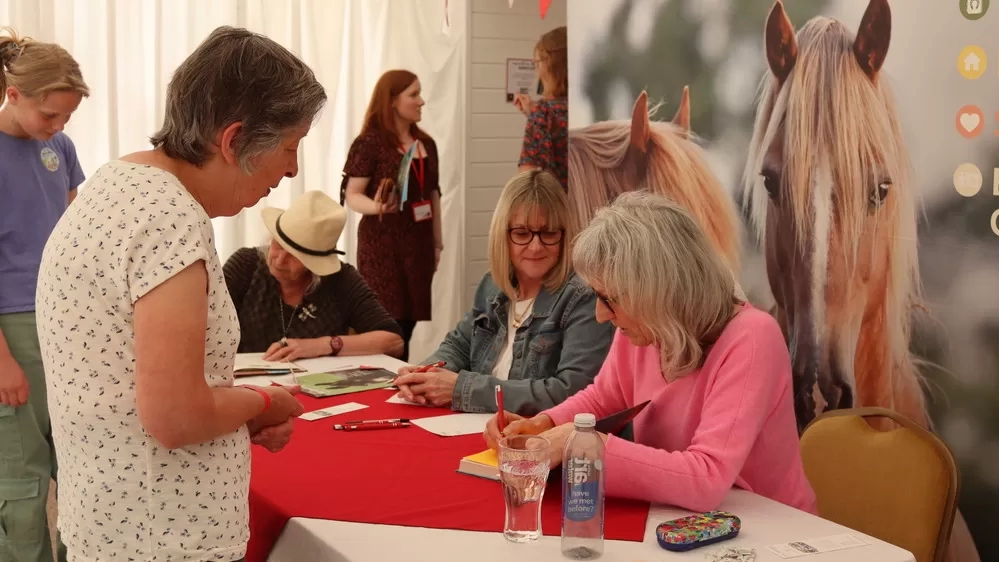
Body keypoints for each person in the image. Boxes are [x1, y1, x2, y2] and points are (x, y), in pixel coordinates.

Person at [34, 26, 321, 561]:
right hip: (164, 537)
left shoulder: (113, 187)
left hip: (112, 519)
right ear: (234, 141)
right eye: (290, 146)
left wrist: (236, 415)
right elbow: (176, 417)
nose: (291, 169)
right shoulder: (168, 220)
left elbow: (122, 387)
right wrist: (264, 401)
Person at [483, 192, 818, 514]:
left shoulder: (753, 337)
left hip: (770, 531)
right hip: (688, 522)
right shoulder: (645, 325)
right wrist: (544, 425)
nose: (601, 314)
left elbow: (707, 478)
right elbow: (603, 397)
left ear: (657, 292)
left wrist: (581, 442)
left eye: (609, 298)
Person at [394, 170, 614, 415]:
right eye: (522, 233)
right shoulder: (493, 285)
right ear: (502, 235)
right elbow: (458, 345)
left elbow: (571, 392)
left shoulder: (582, 297)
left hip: (537, 442)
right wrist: (425, 374)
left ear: (565, 235)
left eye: (549, 233)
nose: (536, 246)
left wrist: (460, 389)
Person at [0, 27, 88, 562]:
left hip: (65, 321)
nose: (56, 128)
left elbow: (75, 235)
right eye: (49, 116)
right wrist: (3, 359)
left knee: (75, 463)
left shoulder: (59, 148)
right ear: (13, 95)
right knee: (23, 474)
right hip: (14, 326)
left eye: (66, 119)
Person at [224, 190, 404, 360]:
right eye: (278, 245)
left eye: (295, 256)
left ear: (315, 265)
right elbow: (202, 325)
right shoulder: (245, 265)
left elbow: (394, 342)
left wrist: (324, 345)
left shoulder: (341, 280)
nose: (279, 261)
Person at [342, 69, 442, 361]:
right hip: (382, 247)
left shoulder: (427, 144)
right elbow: (353, 194)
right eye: (414, 94)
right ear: (392, 101)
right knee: (388, 324)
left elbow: (433, 195)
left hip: (418, 245)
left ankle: (399, 382)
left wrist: (437, 244)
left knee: (408, 323)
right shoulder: (370, 143)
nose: (421, 101)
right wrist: (377, 207)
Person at [513, 26, 568, 190]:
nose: (537, 71)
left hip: (558, 210)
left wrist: (536, 117)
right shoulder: (589, 103)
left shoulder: (543, 113)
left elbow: (526, 180)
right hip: (596, 209)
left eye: (537, 63)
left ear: (550, 65)